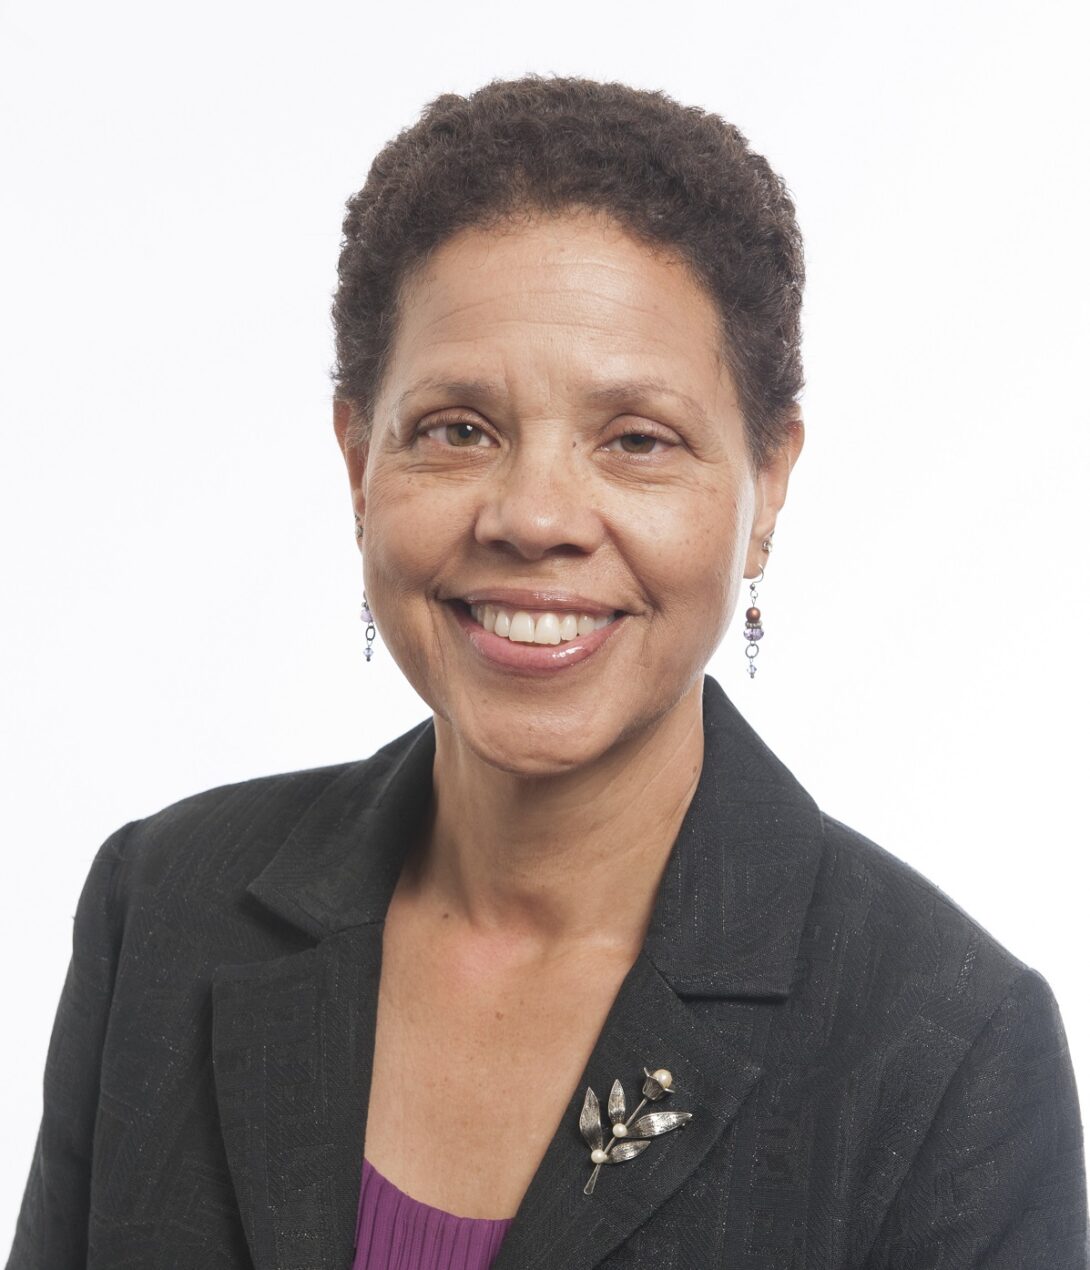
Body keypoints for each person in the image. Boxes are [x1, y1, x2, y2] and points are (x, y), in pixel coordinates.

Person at [6, 74, 1087, 1270]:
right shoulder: (164, 907)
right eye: (458, 428)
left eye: (636, 439)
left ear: (766, 482)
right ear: (359, 460)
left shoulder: (944, 1052)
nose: (534, 517)